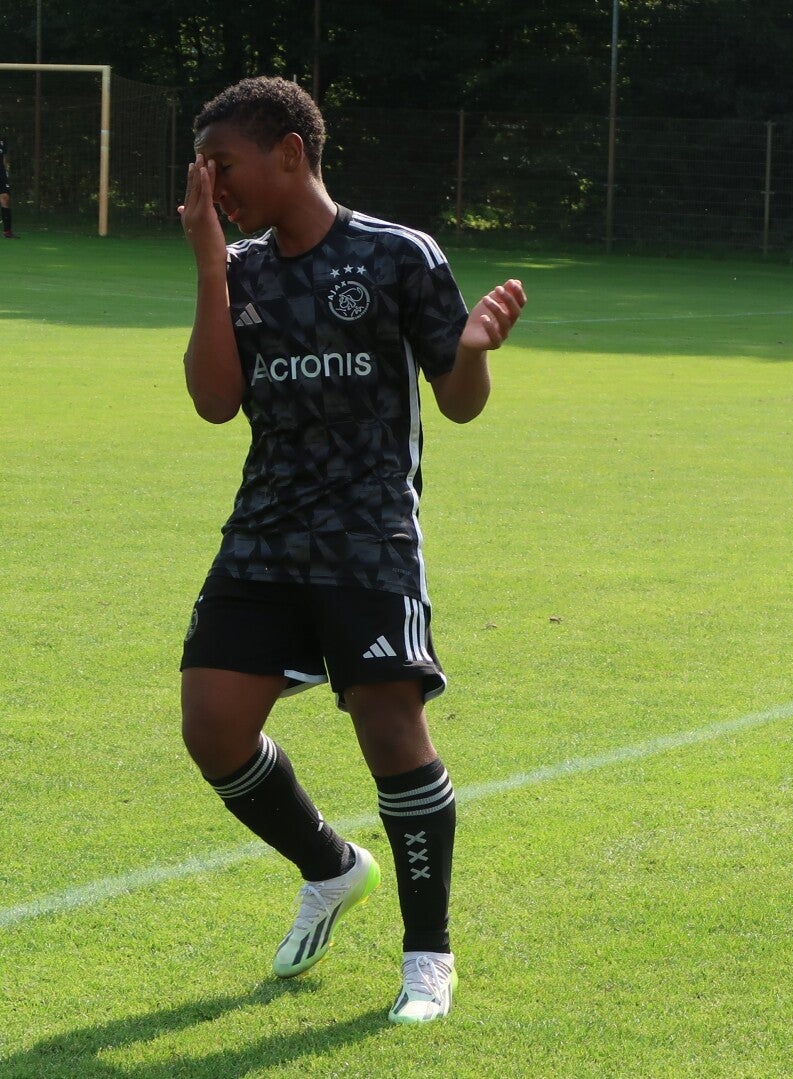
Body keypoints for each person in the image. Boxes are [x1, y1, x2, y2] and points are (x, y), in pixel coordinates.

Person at [176, 76, 525, 1024]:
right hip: (264, 532)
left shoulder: (398, 255)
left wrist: (474, 350)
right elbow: (214, 401)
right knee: (212, 727)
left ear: (290, 153)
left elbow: (458, 402)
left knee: (389, 728)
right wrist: (210, 268)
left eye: (222, 165)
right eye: (202, 169)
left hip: (368, 536)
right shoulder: (239, 268)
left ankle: (428, 957)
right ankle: (331, 868)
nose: (209, 186)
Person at [1, 129, 17, 237]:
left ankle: (7, 231)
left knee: (5, 198)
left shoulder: (2, 140)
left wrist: (6, 171)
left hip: (1, 173)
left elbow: (4, 158)